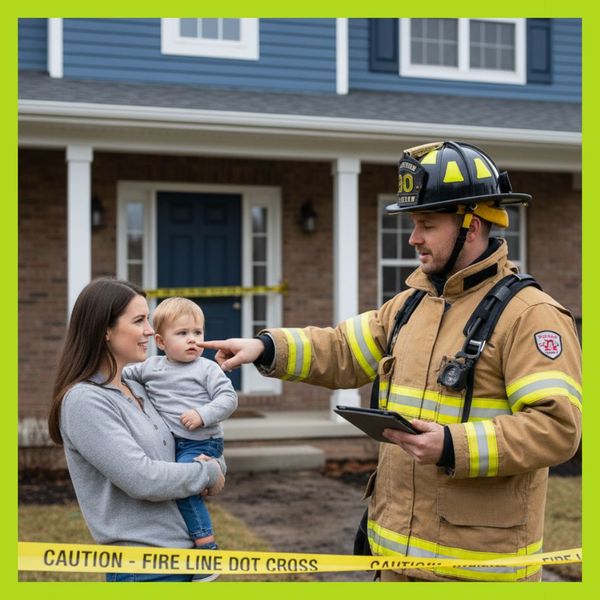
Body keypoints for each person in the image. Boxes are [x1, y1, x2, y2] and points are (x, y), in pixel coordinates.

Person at [201, 141, 582, 582]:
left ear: (471, 226)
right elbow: (343, 349)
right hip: (393, 562)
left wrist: (452, 445)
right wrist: (266, 348)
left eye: (426, 224)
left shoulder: (531, 316)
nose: (413, 238)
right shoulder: (409, 305)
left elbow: (558, 429)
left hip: (474, 573)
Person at [48, 279, 226, 583]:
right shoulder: (85, 400)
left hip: (184, 558)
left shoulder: (139, 387)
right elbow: (143, 479)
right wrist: (208, 474)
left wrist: (217, 463)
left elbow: (187, 446)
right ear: (105, 329)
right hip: (143, 570)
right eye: (139, 320)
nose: (149, 330)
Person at [123, 297, 237, 569]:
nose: (192, 340)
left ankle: (206, 546)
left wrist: (202, 414)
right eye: (182, 333)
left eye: (198, 332)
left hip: (203, 442)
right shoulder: (151, 367)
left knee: (184, 489)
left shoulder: (207, 368)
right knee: (176, 487)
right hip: (174, 442)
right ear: (161, 342)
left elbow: (228, 398)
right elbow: (123, 373)